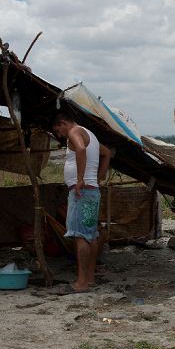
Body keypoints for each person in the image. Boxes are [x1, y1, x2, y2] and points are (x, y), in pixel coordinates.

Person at [52, 108, 112, 292]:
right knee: (91, 234)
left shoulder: (75, 132)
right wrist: (98, 177)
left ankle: (81, 283)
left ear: (63, 123)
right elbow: (107, 153)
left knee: (80, 236)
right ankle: (90, 278)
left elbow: (80, 149)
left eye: (57, 131)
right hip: (91, 190)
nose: (60, 135)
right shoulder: (90, 134)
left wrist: (79, 180)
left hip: (82, 192)